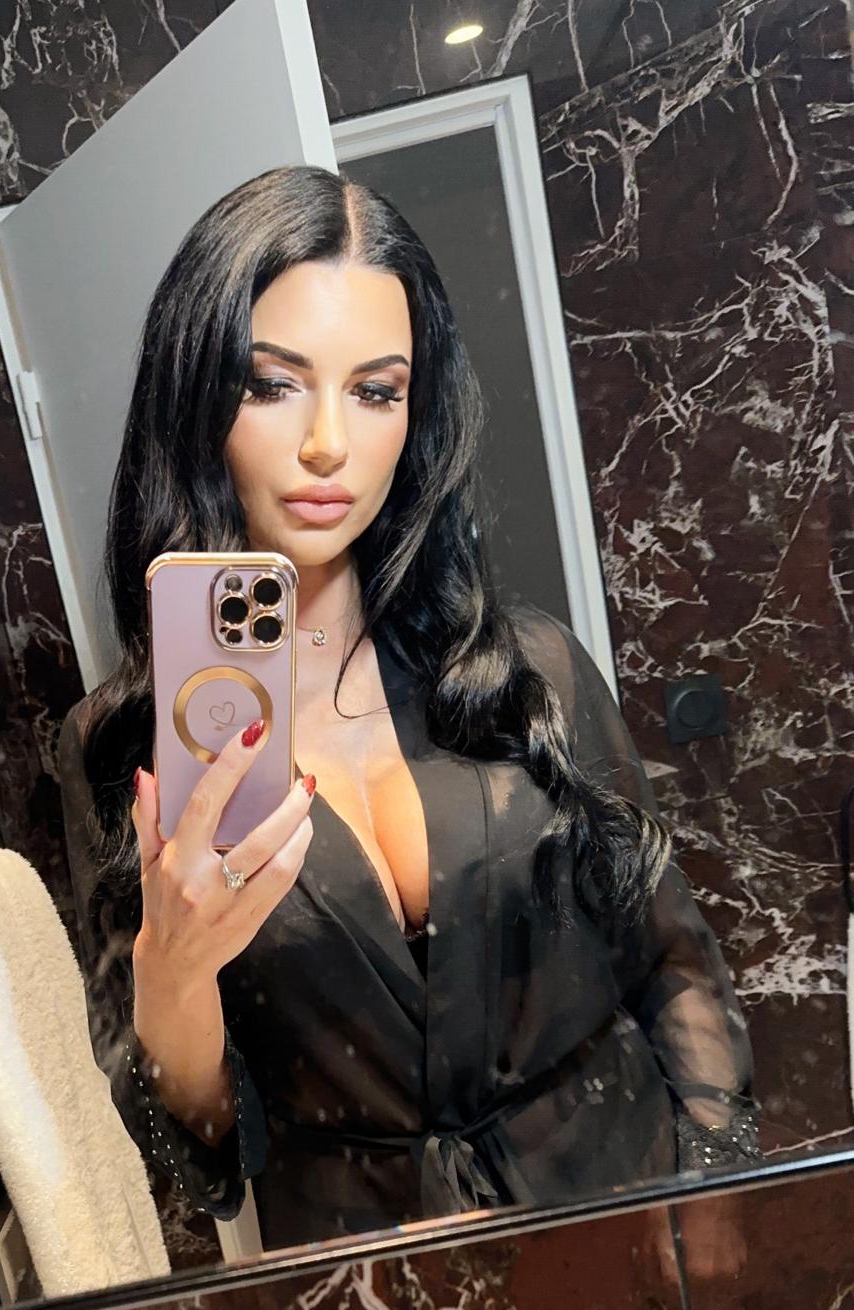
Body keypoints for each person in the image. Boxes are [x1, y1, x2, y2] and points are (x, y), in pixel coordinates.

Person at [57, 164, 759, 1253]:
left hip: (623, 1205)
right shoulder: (127, 750)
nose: (328, 443)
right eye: (272, 384)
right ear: (196, 400)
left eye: (376, 391)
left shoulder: (530, 668)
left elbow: (671, 955)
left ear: (415, 415)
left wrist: (717, 1195)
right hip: (378, 1297)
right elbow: (197, 1163)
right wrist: (174, 973)